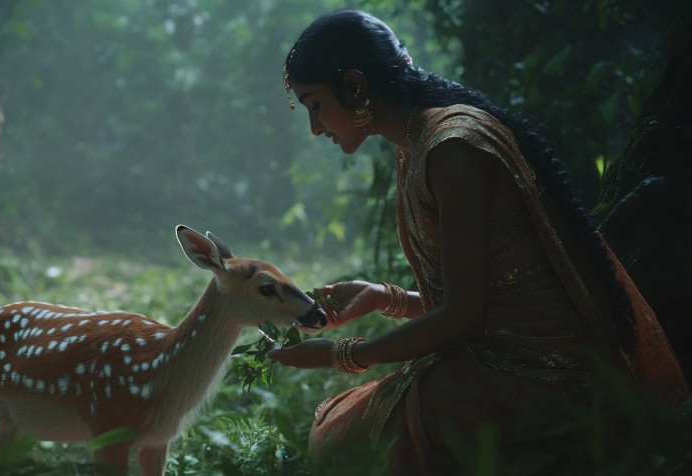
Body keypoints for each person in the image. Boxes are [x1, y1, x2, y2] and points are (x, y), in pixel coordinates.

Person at [267, 9, 689, 474]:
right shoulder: (418, 146)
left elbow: (465, 318)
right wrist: (380, 297)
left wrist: (339, 355)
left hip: (544, 373)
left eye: (314, 105)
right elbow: (482, 305)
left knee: (356, 441)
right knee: (344, 436)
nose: (315, 127)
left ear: (355, 86)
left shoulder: (453, 148)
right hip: (493, 353)